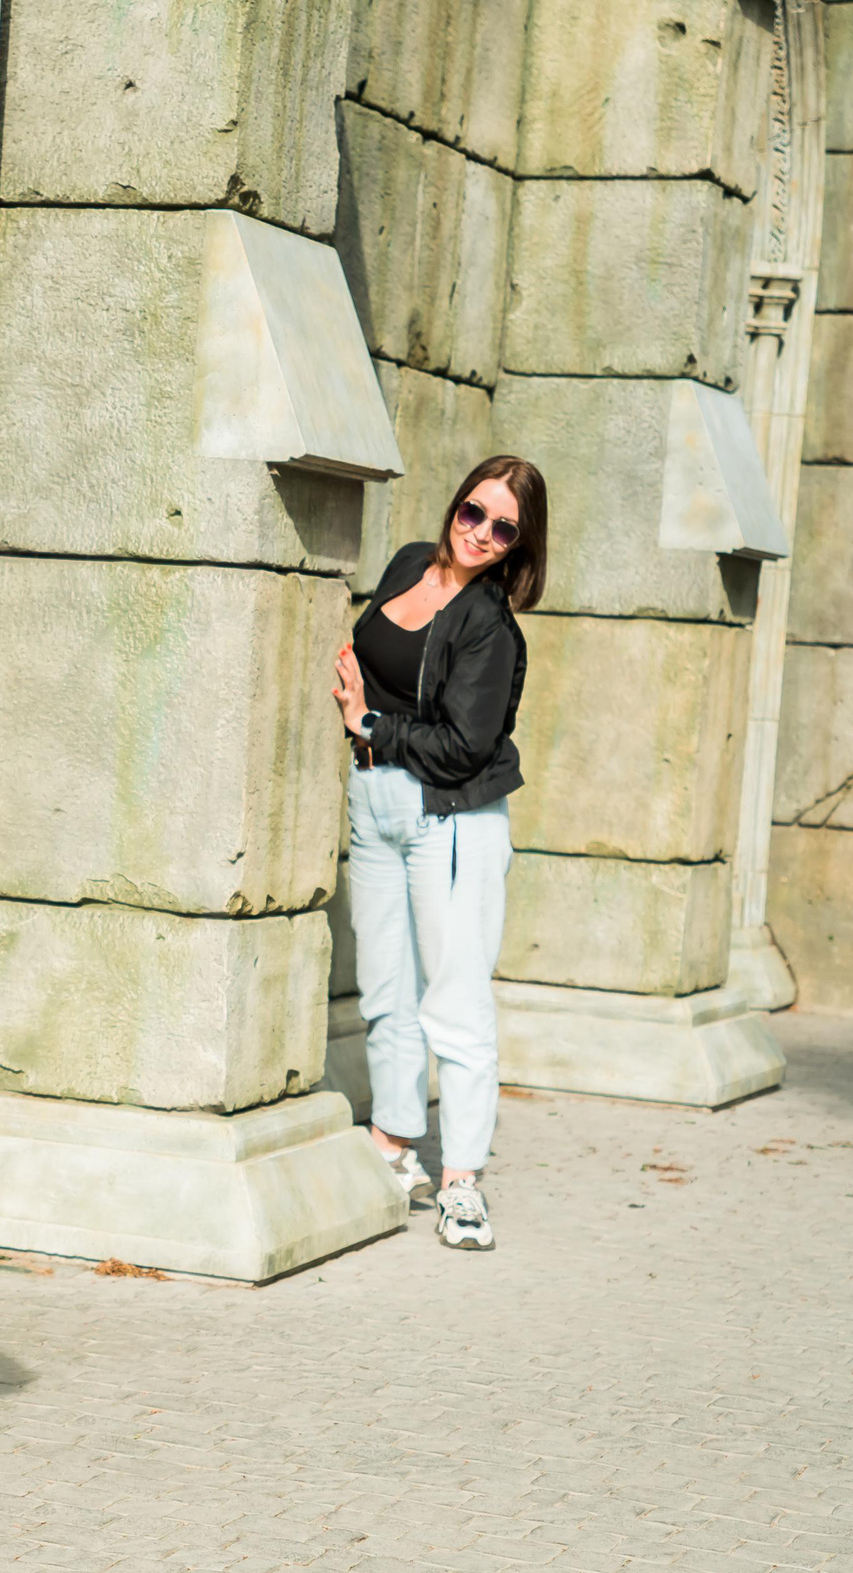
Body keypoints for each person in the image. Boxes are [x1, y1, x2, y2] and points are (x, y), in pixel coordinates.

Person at [332, 456, 546, 1253]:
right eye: (473, 512)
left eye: (503, 528)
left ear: (521, 545)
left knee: (452, 1003)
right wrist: (366, 724)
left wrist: (370, 726)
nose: (481, 533)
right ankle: (393, 1147)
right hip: (376, 801)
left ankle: (462, 1182)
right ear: (454, 504)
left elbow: (465, 745)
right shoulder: (407, 565)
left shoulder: (491, 627)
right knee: (387, 988)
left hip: (451, 816)